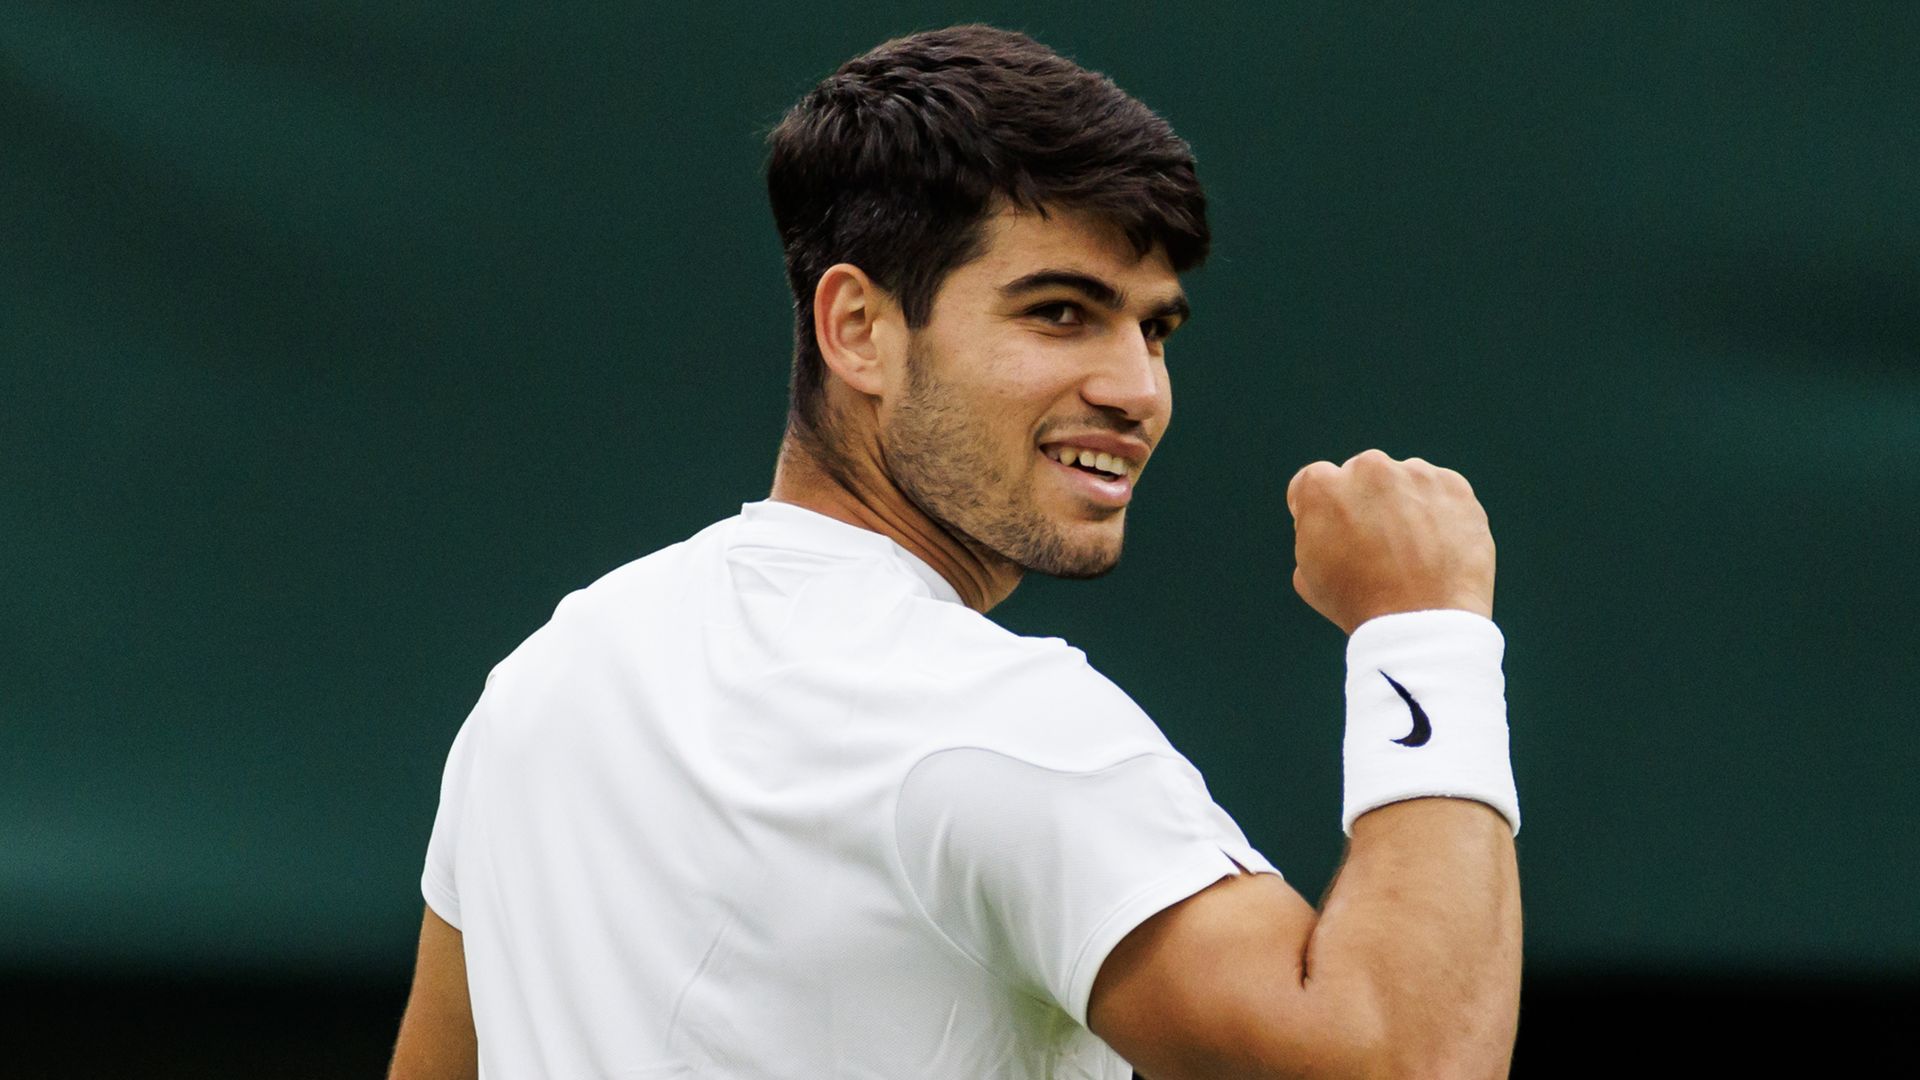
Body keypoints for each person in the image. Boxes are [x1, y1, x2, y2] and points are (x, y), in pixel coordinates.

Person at [389, 24, 1521, 1080]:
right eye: (1060, 312)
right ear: (858, 328)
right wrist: (1426, 629)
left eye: (1154, 327)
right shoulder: (1000, 725)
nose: (1136, 390)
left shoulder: (543, 682)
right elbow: (1403, 1057)